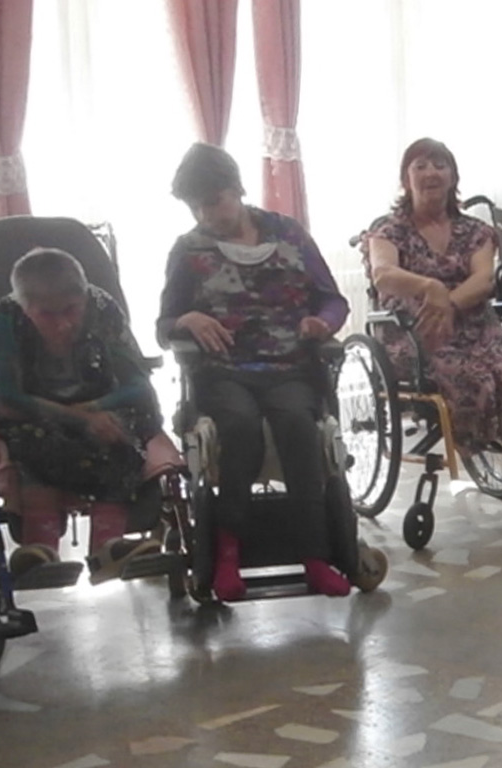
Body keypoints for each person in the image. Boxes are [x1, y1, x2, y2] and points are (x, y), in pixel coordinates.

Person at [158, 142, 351, 601]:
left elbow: (333, 299)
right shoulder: (189, 250)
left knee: (297, 426)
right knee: (239, 427)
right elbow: (164, 326)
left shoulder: (289, 235)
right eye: (196, 207)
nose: (206, 215)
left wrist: (322, 323)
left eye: (214, 201)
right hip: (224, 371)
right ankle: (228, 556)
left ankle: (315, 558)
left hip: (289, 367)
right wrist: (189, 319)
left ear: (238, 189)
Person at [0, 247, 178, 583]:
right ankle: (40, 550)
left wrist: (94, 410)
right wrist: (79, 418)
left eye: (71, 309)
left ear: (84, 296)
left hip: (102, 406)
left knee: (120, 436)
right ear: (24, 307)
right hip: (32, 415)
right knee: (33, 442)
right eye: (47, 315)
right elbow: (8, 400)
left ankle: (107, 548)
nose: (63, 324)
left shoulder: (102, 308)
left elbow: (138, 385)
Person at [361, 137, 502, 456]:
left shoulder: (475, 231)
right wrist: (430, 287)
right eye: (420, 166)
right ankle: (470, 444)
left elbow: (484, 279)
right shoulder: (388, 231)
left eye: (440, 165)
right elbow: (383, 274)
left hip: (476, 332)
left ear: (453, 177)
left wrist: (449, 303)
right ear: (406, 179)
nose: (431, 172)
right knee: (471, 380)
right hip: (416, 333)